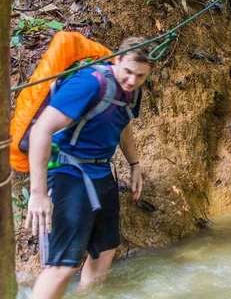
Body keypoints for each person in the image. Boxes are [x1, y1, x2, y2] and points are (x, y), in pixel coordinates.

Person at [26, 37, 153, 298]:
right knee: (62, 265)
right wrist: (38, 193)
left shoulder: (134, 92)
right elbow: (42, 129)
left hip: (101, 173)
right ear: (117, 59)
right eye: (128, 71)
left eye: (140, 76)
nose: (131, 80)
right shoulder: (89, 83)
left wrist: (135, 164)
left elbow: (124, 124)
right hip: (67, 173)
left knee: (104, 250)